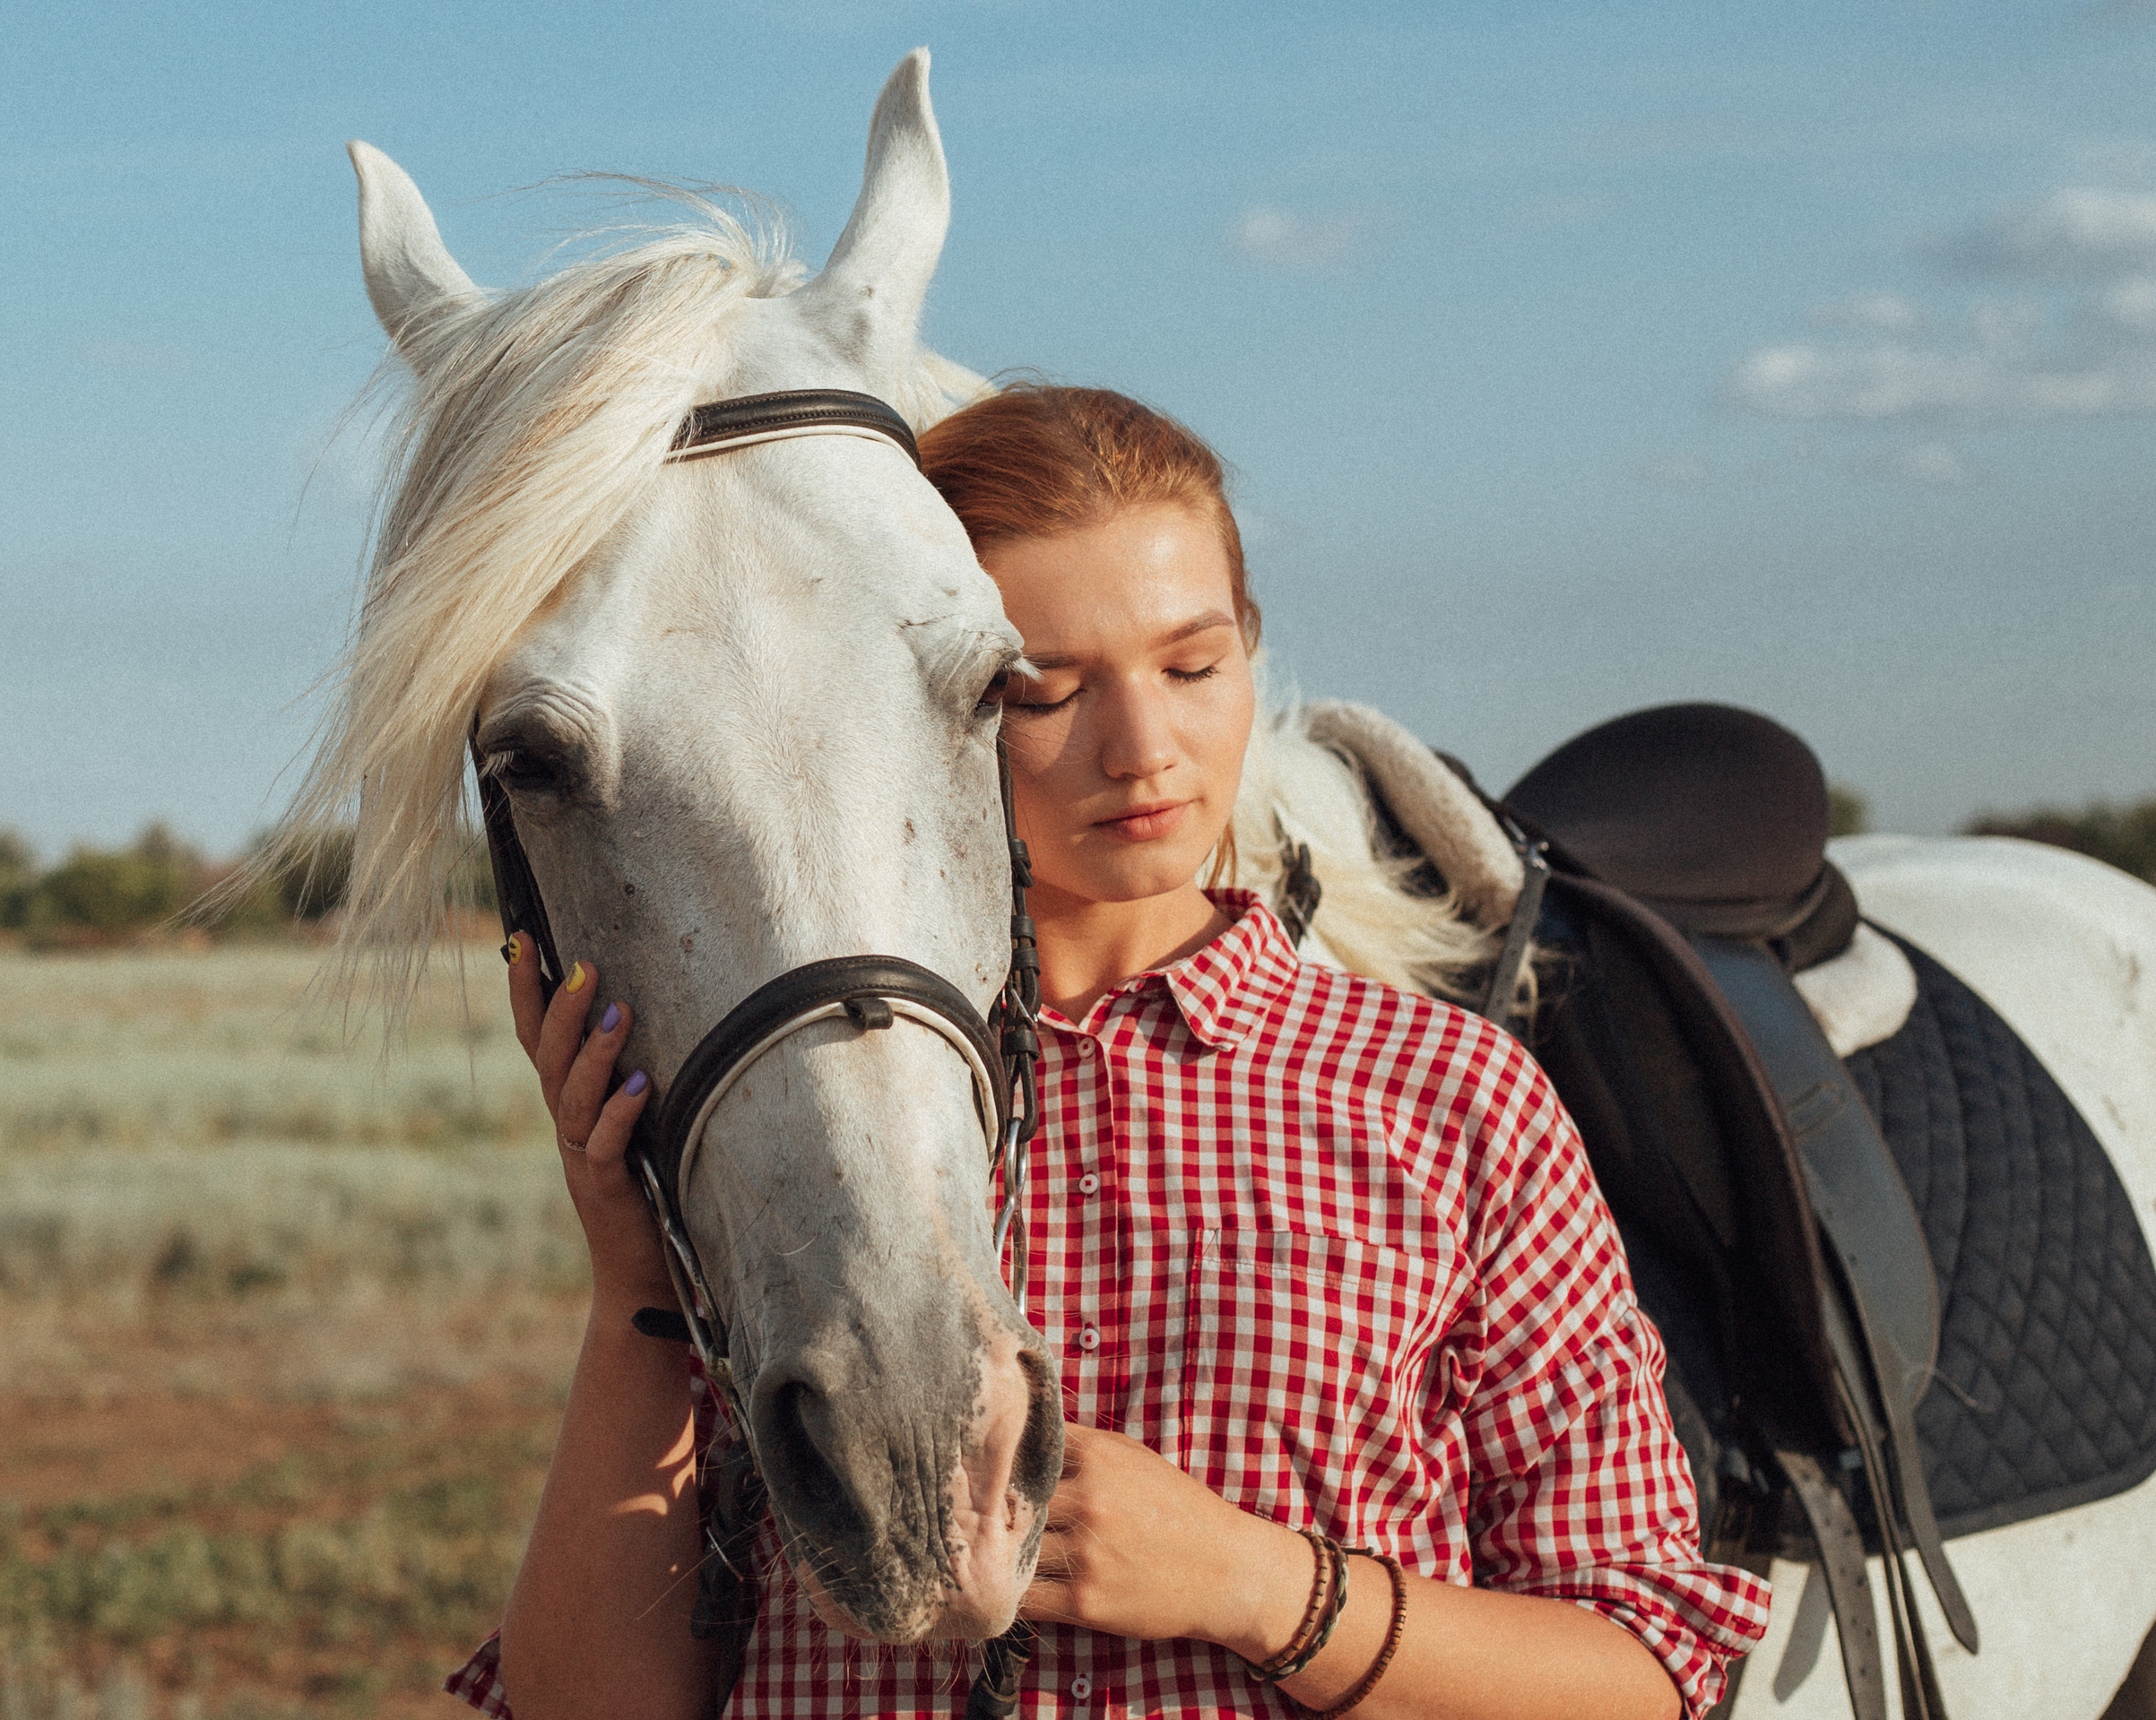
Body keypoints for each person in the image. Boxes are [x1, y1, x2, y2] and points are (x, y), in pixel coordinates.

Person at [449, 385, 1771, 1720]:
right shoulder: (792, 1121)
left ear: (1253, 650)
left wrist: (1262, 1588)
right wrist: (636, 1277)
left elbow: (1653, 1670)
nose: (1143, 751)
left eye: (1193, 667)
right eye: (1046, 690)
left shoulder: (1448, 1097)